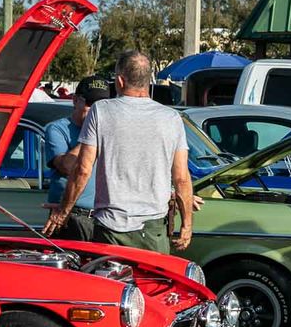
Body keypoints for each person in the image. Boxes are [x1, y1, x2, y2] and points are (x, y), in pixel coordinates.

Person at [44, 51, 194, 253]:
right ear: (147, 80)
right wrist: (187, 225)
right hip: (154, 229)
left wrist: (63, 211)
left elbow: (82, 170)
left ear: (120, 81)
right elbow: (182, 178)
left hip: (111, 228)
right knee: (154, 283)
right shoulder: (171, 118)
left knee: (111, 283)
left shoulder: (101, 111)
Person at [44, 75, 111, 240]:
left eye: (101, 106)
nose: (96, 111)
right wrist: (92, 134)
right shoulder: (58, 129)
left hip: (104, 218)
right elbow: (68, 166)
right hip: (70, 215)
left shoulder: (112, 132)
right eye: (90, 104)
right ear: (75, 101)